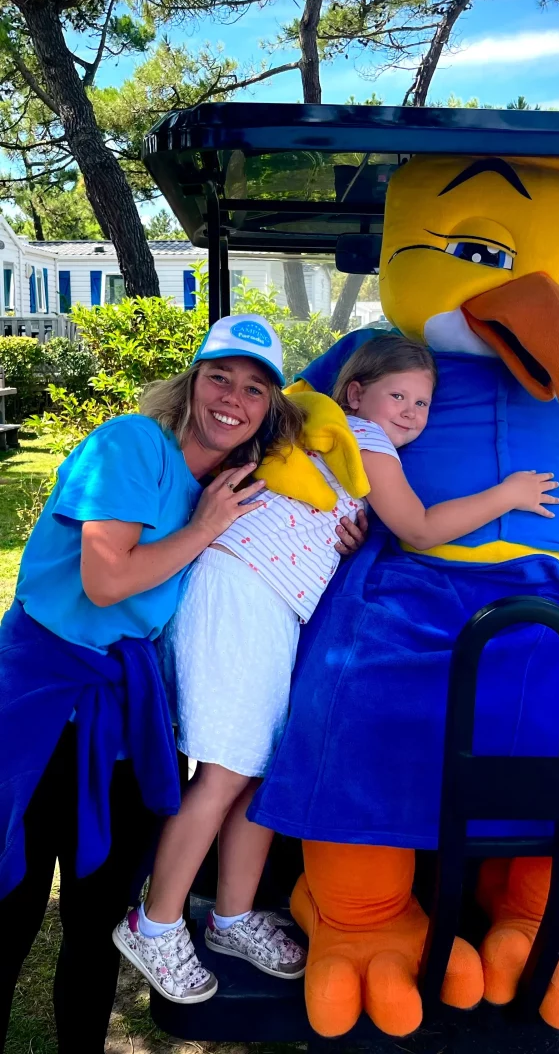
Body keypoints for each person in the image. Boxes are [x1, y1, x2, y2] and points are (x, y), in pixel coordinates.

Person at [114, 332, 559, 1004]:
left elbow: (338, 519)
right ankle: (155, 923)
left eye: (424, 402)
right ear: (356, 394)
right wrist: (510, 494)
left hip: (265, 599)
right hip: (242, 589)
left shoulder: (346, 451)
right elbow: (419, 525)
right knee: (226, 774)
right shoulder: (364, 437)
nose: (412, 412)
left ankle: (232, 916)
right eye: (398, 395)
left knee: (261, 768)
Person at [0, 313, 365, 1054]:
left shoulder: (232, 490)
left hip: (128, 717)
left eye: (255, 389)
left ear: (271, 410)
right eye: (220, 376)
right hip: (42, 707)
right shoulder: (132, 445)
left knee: (98, 914)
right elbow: (107, 580)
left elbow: (263, 579)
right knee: (12, 907)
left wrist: (342, 538)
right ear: (192, 383)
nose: (233, 397)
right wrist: (203, 529)